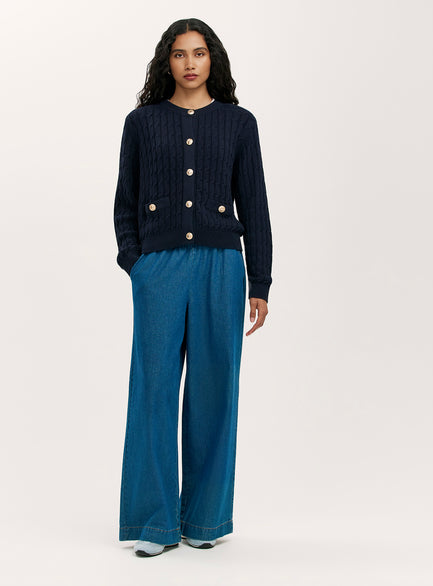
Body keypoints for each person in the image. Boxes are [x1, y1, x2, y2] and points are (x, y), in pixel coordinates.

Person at [113, 18, 273, 557]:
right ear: (167, 61)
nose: (189, 63)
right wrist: (136, 265)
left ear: (213, 60)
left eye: (199, 53)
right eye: (180, 54)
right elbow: (125, 202)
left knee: (214, 392)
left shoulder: (239, 123)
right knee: (153, 392)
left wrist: (260, 280)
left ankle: (205, 519)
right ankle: (155, 523)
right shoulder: (142, 122)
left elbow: (255, 204)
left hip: (221, 268)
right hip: (158, 269)